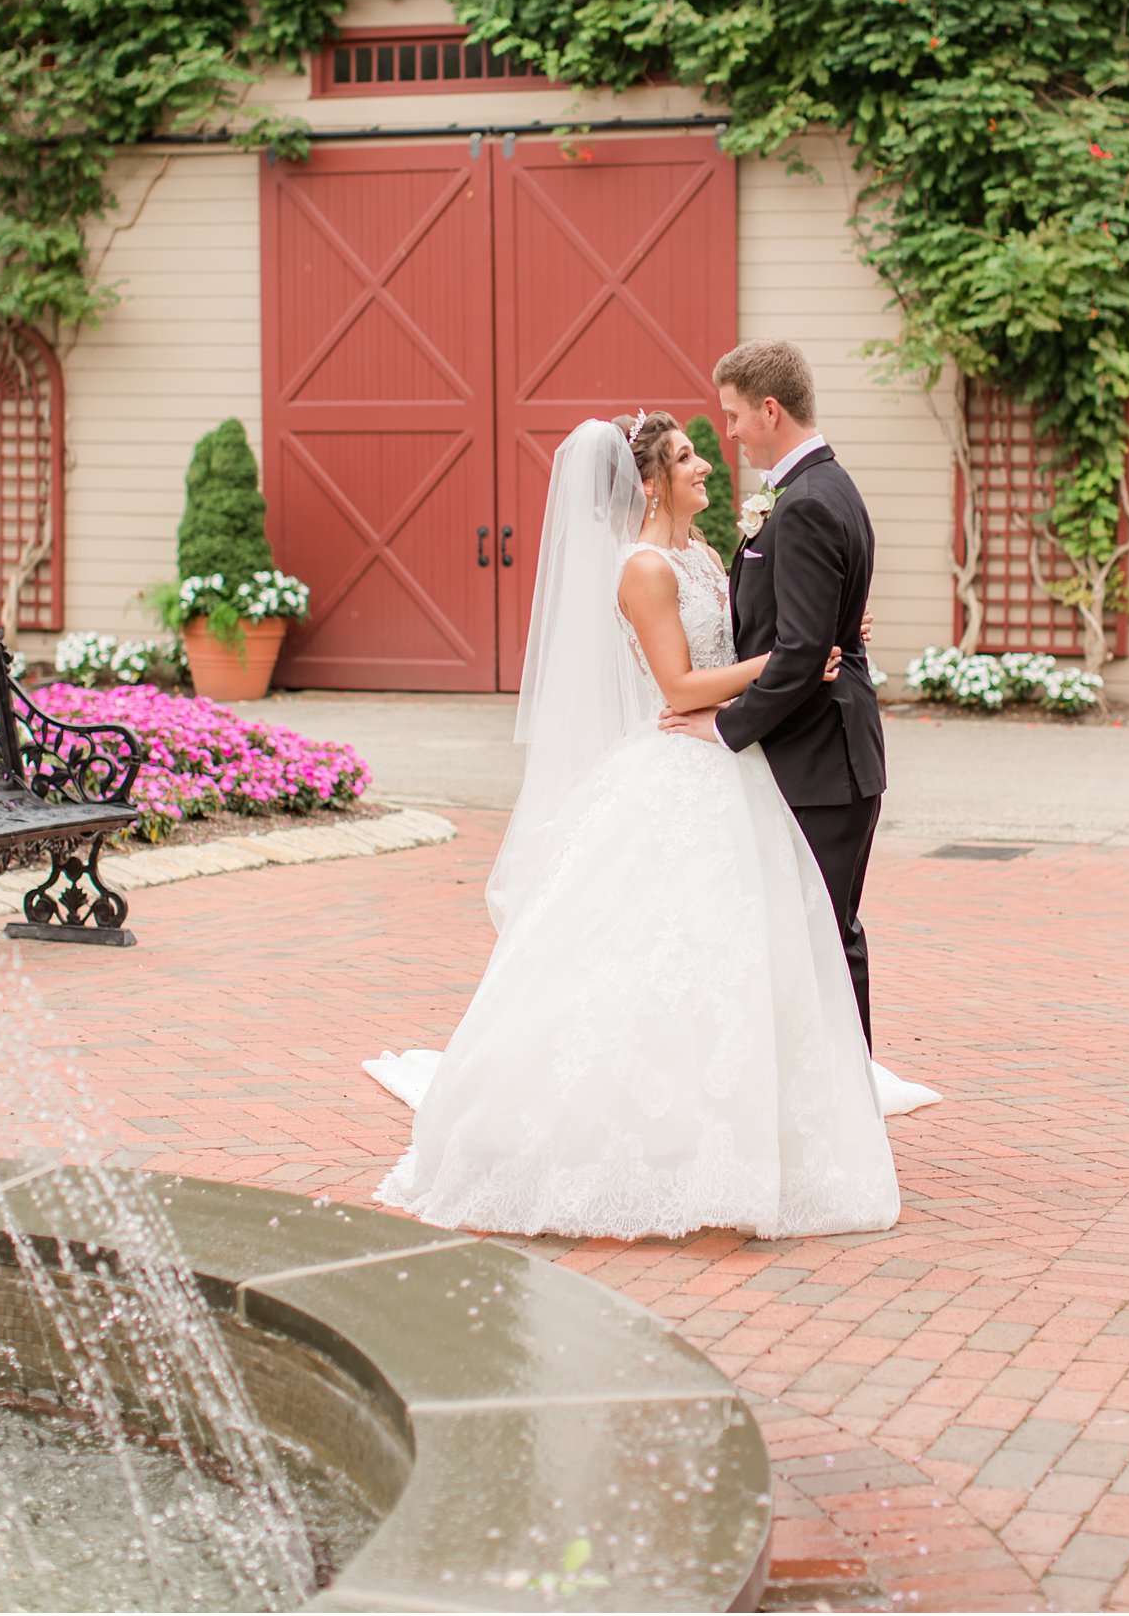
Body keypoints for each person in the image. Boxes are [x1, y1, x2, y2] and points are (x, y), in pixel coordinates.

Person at [364, 411, 937, 1243]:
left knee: (740, 954)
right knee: (655, 951)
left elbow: (766, 629)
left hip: (735, 770)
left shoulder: (707, 554)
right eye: (685, 457)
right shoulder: (640, 570)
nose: (705, 462)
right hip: (678, 763)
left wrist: (831, 637)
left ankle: (755, 1124)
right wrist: (791, 664)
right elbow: (678, 686)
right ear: (649, 482)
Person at [662, 341, 883, 1046]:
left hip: (820, 761)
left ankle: (850, 1104)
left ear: (770, 408)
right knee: (812, 934)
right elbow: (807, 630)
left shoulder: (809, 503)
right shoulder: (820, 487)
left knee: (823, 935)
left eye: (733, 416)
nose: (727, 434)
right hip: (819, 754)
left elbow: (802, 651)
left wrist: (725, 725)